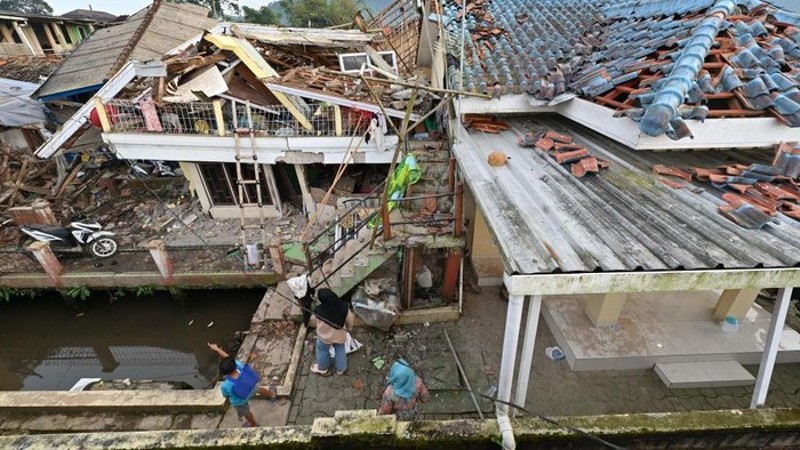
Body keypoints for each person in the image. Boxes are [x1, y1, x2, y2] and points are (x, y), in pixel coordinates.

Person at [207, 342, 276, 427]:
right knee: (260, 389)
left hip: (240, 400)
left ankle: (253, 424)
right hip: (251, 387)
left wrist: (216, 349)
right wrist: (217, 349)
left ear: (224, 374)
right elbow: (228, 358)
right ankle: (272, 395)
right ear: (233, 364)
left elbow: (226, 395)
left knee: (246, 412)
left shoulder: (226, 385)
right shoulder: (239, 365)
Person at [310, 288, 354, 376]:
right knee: (340, 350)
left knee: (322, 351)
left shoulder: (318, 311)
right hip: (339, 335)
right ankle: (341, 369)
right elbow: (350, 321)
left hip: (324, 337)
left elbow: (318, 323)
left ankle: (322, 368)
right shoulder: (344, 307)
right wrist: (349, 328)